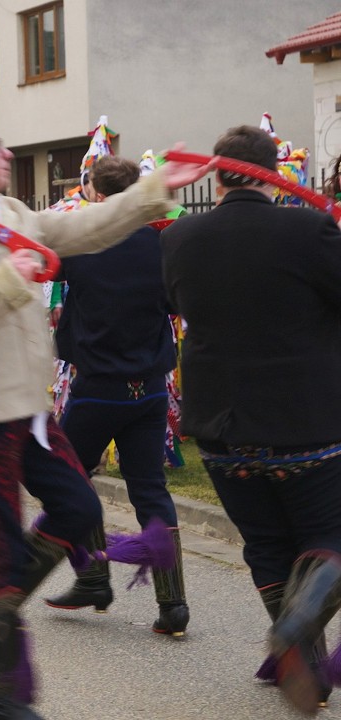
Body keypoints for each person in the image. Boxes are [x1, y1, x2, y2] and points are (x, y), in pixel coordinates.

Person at [0, 96, 211, 720]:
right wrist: (7, 280)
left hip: (32, 409)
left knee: (75, 507)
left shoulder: (14, 212)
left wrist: (156, 190)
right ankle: (1, 695)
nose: (7, 152)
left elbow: (88, 229)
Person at [162, 125, 341, 715]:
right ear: (277, 173)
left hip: (221, 427)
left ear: (216, 174)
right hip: (305, 422)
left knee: (266, 546)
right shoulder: (309, 228)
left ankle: (307, 670)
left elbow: (175, 304)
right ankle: (296, 631)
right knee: (329, 540)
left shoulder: (182, 237)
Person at [43, 155, 188, 636]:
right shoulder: (159, 244)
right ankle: (174, 605)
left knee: (63, 480)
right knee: (149, 487)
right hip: (148, 389)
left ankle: (92, 578)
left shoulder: (85, 243)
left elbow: (49, 273)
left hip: (98, 388)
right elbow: (172, 303)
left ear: (98, 198)